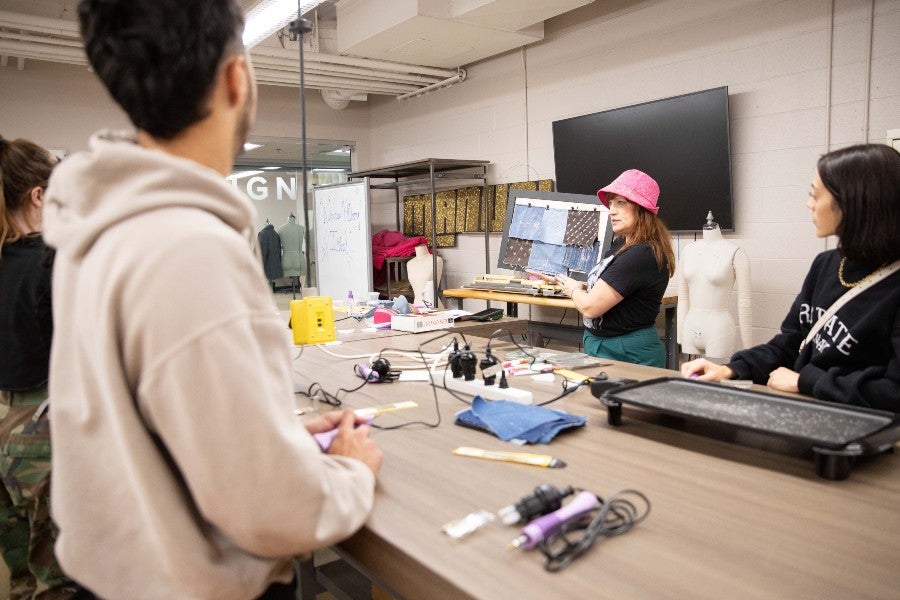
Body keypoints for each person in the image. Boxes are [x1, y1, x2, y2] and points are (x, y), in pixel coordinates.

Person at [42, 2, 382, 598]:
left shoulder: (97, 230)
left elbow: (144, 435)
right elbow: (272, 511)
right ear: (235, 78)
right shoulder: (189, 248)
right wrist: (350, 468)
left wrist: (277, 439)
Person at [682, 143, 900, 411]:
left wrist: (805, 381)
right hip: (808, 410)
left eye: (816, 196)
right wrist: (730, 369)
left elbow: (893, 392)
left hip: (865, 427)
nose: (809, 205)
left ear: (854, 202)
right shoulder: (826, 264)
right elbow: (788, 344)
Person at [0, 136, 84, 599]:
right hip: (44, 438)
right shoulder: (52, 263)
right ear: (38, 196)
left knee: (22, 577)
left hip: (3, 430)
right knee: (61, 581)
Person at [555, 169, 675, 367]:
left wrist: (573, 289)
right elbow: (614, 287)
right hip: (608, 347)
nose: (611, 210)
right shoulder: (622, 244)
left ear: (642, 209)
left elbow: (590, 307)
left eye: (621, 203)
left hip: (627, 353)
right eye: (611, 203)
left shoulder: (641, 254)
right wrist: (575, 284)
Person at [676, 212, 752, 358]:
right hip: (690, 326)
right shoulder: (688, 250)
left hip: (719, 329)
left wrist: (749, 348)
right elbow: (683, 297)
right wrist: (680, 334)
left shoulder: (735, 252)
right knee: (691, 377)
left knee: (717, 378)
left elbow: (745, 303)